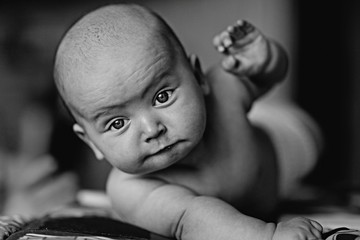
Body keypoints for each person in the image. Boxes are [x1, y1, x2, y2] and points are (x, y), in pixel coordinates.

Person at [53, 3, 325, 240]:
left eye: (162, 96)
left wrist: (265, 58)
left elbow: (270, 77)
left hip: (283, 140)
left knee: (314, 135)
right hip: (262, 176)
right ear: (91, 142)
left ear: (198, 76)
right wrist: (269, 236)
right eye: (117, 123)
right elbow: (195, 221)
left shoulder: (222, 90)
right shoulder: (131, 190)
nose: (152, 129)